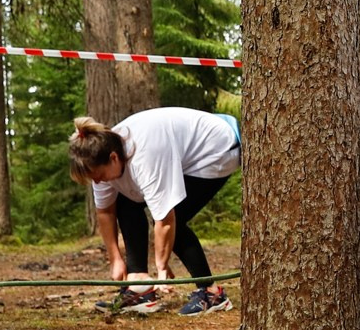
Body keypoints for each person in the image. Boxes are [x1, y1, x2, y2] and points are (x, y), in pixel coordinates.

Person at [68, 107, 240, 316]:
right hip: (181, 150)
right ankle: (139, 287)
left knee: (178, 215)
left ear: (113, 158)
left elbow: (166, 220)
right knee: (125, 201)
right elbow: (105, 212)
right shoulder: (100, 156)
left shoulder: (146, 157)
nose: (97, 181)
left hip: (217, 148)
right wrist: (115, 258)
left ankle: (212, 293)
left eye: (99, 175)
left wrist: (161, 268)